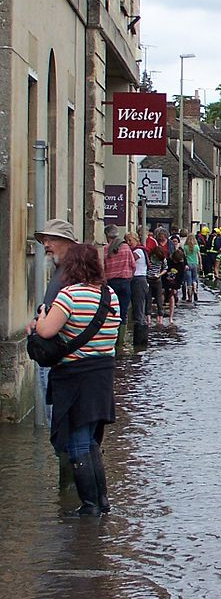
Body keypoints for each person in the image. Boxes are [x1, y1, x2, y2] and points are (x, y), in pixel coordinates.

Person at [30, 243, 121, 515]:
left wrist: (39, 320)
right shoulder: (110, 295)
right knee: (91, 439)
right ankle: (102, 501)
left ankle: (90, 506)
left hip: (76, 376)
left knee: (78, 442)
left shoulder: (69, 295)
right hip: (102, 374)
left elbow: (46, 331)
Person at [30, 218, 78, 487]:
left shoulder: (72, 273)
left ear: (68, 243)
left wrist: (44, 324)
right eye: (43, 240)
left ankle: (71, 493)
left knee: (61, 428)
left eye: (51, 240)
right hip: (50, 354)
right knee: (57, 426)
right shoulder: (61, 270)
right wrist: (39, 317)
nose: (45, 245)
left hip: (59, 359)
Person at [102, 224, 134, 330]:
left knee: (110, 311)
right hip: (125, 282)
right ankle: (121, 340)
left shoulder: (106, 249)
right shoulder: (126, 247)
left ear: (107, 235)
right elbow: (133, 265)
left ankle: (112, 336)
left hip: (111, 283)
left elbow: (103, 267)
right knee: (123, 312)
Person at [182, 233, 201, 303]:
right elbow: (199, 256)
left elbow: (184, 256)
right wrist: (200, 264)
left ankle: (189, 297)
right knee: (194, 279)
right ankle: (195, 291)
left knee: (189, 281)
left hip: (188, 264)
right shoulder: (196, 247)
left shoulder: (185, 247)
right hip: (195, 264)